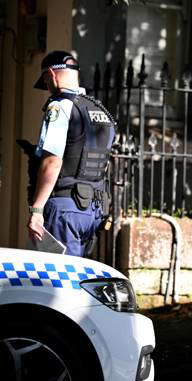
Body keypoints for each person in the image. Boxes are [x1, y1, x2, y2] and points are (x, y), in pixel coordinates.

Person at [27, 50, 115, 257]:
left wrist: (37, 210)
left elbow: (52, 161)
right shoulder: (100, 110)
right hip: (93, 210)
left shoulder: (59, 107)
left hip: (64, 210)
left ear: (51, 74)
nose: (48, 89)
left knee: (57, 281)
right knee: (76, 277)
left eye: (46, 83)